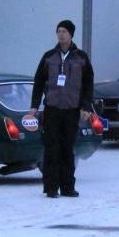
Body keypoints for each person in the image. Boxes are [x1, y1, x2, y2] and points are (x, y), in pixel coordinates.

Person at [30, 19, 95, 198]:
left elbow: (88, 84)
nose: (61, 34)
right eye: (58, 31)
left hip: (72, 109)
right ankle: (51, 187)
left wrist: (86, 106)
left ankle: (68, 187)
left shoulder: (81, 58)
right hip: (52, 109)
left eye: (64, 31)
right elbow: (38, 82)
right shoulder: (49, 56)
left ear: (71, 34)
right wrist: (34, 106)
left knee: (68, 148)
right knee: (52, 148)